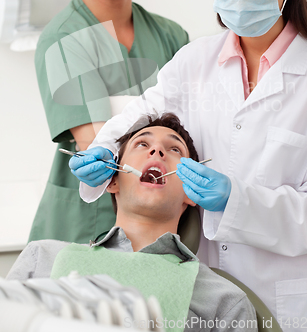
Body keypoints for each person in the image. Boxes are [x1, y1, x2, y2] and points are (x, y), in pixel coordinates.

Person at [70, 0, 307, 331]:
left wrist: (238, 202)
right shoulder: (196, 61)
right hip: (204, 296)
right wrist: (101, 152)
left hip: (294, 300)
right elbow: (144, 113)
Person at [29, 0, 189, 245]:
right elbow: (100, 143)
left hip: (157, 227)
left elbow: (194, 130)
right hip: (84, 227)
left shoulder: (171, 35)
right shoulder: (63, 39)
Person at [8, 114, 257, 332]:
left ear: (190, 192)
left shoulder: (223, 301)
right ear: (112, 181)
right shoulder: (41, 258)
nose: (157, 151)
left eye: (174, 150)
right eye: (142, 144)